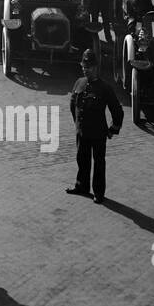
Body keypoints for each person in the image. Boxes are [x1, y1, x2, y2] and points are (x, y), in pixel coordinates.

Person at [66, 49, 123, 203]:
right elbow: (73, 106)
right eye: (83, 67)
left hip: (98, 133)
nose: (86, 70)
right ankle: (81, 186)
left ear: (96, 68)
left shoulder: (105, 88)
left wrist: (113, 129)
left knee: (99, 163)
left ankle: (98, 193)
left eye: (88, 67)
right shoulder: (79, 83)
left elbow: (117, 110)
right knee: (82, 159)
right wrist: (77, 124)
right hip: (82, 132)